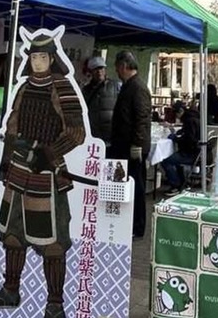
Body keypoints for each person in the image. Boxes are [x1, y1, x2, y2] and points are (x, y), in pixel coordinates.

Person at [0, 34, 85, 318]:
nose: (38, 62)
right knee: (12, 232)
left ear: (52, 59)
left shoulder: (62, 87)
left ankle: (55, 304)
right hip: (17, 168)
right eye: (33, 58)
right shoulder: (24, 87)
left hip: (46, 172)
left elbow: (77, 132)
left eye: (42, 58)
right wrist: (5, 160)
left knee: (52, 239)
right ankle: (10, 289)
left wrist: (48, 154)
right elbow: (13, 126)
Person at [110, 50, 152, 239]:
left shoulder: (138, 88)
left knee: (136, 186)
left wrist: (137, 144)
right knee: (124, 186)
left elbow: (141, 118)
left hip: (132, 148)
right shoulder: (129, 86)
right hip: (122, 145)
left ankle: (137, 226)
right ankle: (128, 222)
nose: (117, 71)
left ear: (124, 66)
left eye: (118, 67)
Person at [160, 100, 200, 193]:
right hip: (195, 152)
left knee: (166, 161)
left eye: (176, 113)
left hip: (190, 153)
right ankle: (181, 183)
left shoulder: (189, 121)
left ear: (181, 111)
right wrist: (179, 133)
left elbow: (189, 139)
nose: (176, 116)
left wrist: (176, 138)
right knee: (174, 160)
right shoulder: (193, 118)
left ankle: (175, 184)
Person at [81, 55, 118, 147]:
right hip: (93, 135)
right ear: (91, 72)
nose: (99, 72)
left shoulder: (115, 86)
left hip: (112, 135)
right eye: (95, 69)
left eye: (101, 68)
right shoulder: (86, 90)